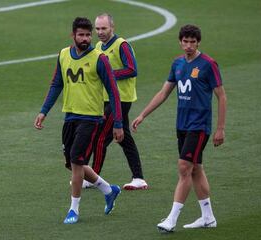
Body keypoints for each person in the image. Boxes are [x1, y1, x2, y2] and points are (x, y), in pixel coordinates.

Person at [131, 24, 227, 232]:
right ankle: (208, 217)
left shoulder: (208, 64)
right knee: (196, 169)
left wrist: (220, 128)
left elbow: (221, 96)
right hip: (182, 126)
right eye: (186, 41)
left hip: (199, 126)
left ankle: (171, 219)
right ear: (180, 42)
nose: (189, 46)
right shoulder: (177, 64)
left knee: (184, 167)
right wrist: (142, 114)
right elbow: (164, 93)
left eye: (193, 42)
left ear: (198, 42)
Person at [34, 17, 124, 224]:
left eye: (87, 35)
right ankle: (108, 190)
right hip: (70, 116)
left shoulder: (99, 58)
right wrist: (44, 111)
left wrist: (118, 123)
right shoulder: (64, 55)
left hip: (91, 118)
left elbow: (113, 91)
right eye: (81, 35)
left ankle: (73, 210)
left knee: (76, 160)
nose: (85, 39)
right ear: (73, 35)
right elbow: (57, 83)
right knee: (72, 163)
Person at [82, 13, 148, 190]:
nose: (100, 32)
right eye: (97, 29)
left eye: (104, 28)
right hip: (106, 98)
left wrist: (108, 74)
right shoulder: (98, 46)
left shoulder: (122, 45)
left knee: (100, 138)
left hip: (121, 99)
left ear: (112, 27)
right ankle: (139, 178)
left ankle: (92, 178)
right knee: (124, 138)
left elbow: (132, 69)